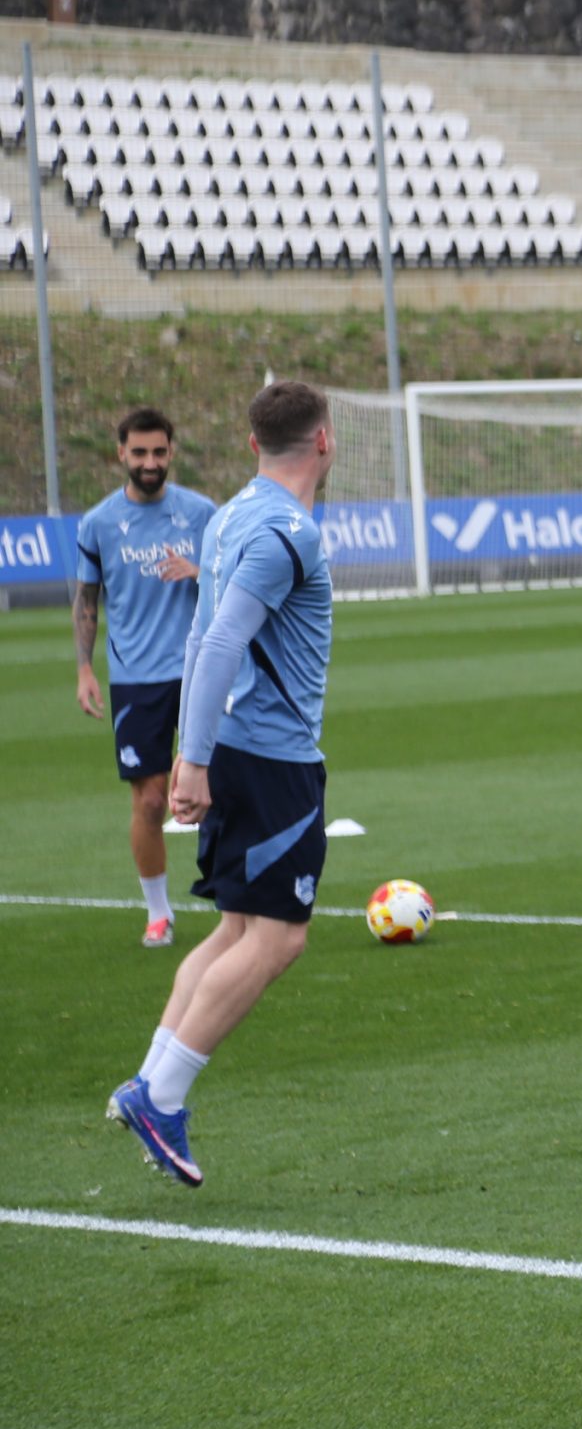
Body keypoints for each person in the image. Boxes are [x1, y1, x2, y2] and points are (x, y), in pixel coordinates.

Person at [106, 382, 336, 1188]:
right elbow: (220, 640)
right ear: (324, 441)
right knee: (278, 938)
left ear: (251, 444)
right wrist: (194, 759)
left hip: (237, 748)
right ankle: (162, 1096)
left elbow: (202, 634)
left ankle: (148, 1078)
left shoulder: (231, 514)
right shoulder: (286, 531)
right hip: (269, 758)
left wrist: (193, 751)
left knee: (237, 930)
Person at [74, 408, 218, 949]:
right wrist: (84, 668)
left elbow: (237, 580)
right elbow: (87, 600)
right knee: (152, 802)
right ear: (121, 454)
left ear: (172, 452)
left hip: (203, 669)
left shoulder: (203, 514)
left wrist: (200, 572)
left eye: (159, 452)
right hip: (135, 679)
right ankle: (158, 913)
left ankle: (235, 900)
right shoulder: (98, 524)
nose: (150, 462)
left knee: (223, 790)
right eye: (139, 453)